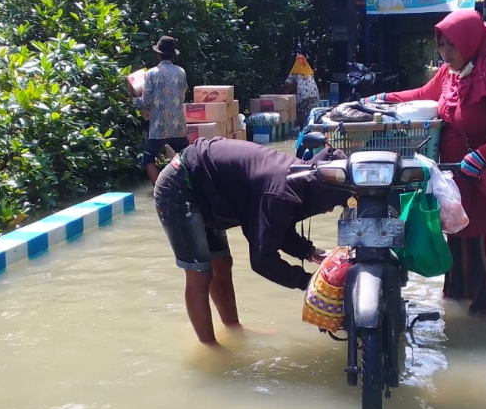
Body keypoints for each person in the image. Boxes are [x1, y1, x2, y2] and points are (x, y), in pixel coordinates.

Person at [364, 10, 486, 317]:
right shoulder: (451, 72)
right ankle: (458, 323)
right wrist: (377, 99)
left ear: (469, 41)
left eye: (452, 45)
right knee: (460, 248)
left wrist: (483, 155)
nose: (445, 52)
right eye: (441, 44)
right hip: (463, 179)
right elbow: (422, 95)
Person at [154, 137, 351, 345]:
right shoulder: (281, 194)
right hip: (182, 184)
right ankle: (211, 348)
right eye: (332, 204)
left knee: (222, 264)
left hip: (210, 189)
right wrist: (311, 283)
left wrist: (311, 253)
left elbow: (275, 229)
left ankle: (234, 330)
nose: (329, 209)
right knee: (200, 273)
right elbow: (262, 261)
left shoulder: (299, 180)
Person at [132, 36, 189, 185]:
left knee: (148, 158)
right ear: (172, 55)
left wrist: (133, 99)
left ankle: (159, 190)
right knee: (185, 157)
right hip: (178, 125)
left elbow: (145, 101)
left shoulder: (152, 74)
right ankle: (186, 186)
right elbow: (182, 94)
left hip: (158, 126)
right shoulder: (181, 72)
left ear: (158, 54)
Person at [282, 54, 320, 127]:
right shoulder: (309, 71)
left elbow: (287, 84)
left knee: (300, 111)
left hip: (303, 94)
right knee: (311, 111)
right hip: (314, 93)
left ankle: (302, 129)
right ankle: (310, 128)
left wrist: (282, 93)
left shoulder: (295, 72)